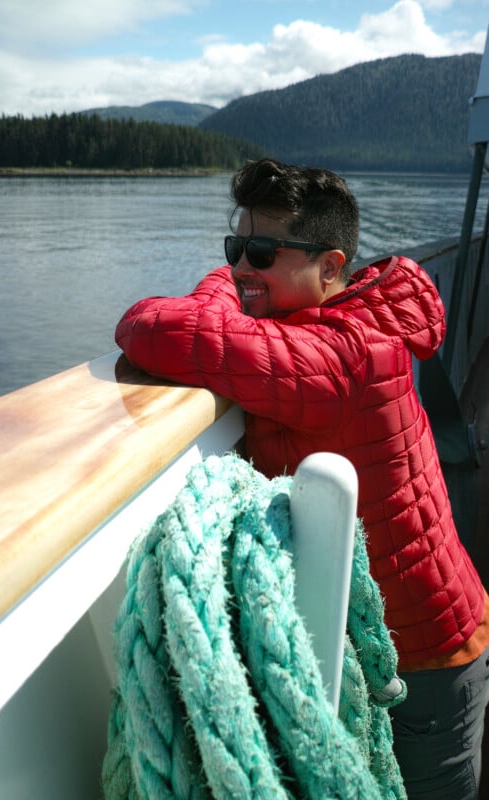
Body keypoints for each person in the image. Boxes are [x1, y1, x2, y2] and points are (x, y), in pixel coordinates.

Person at [115, 157, 489, 799]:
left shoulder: (336, 359)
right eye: (236, 247)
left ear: (331, 266)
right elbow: (213, 319)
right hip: (413, 638)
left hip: (425, 663)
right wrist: (243, 288)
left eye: (263, 251)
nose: (240, 267)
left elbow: (150, 326)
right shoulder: (358, 323)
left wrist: (222, 297)